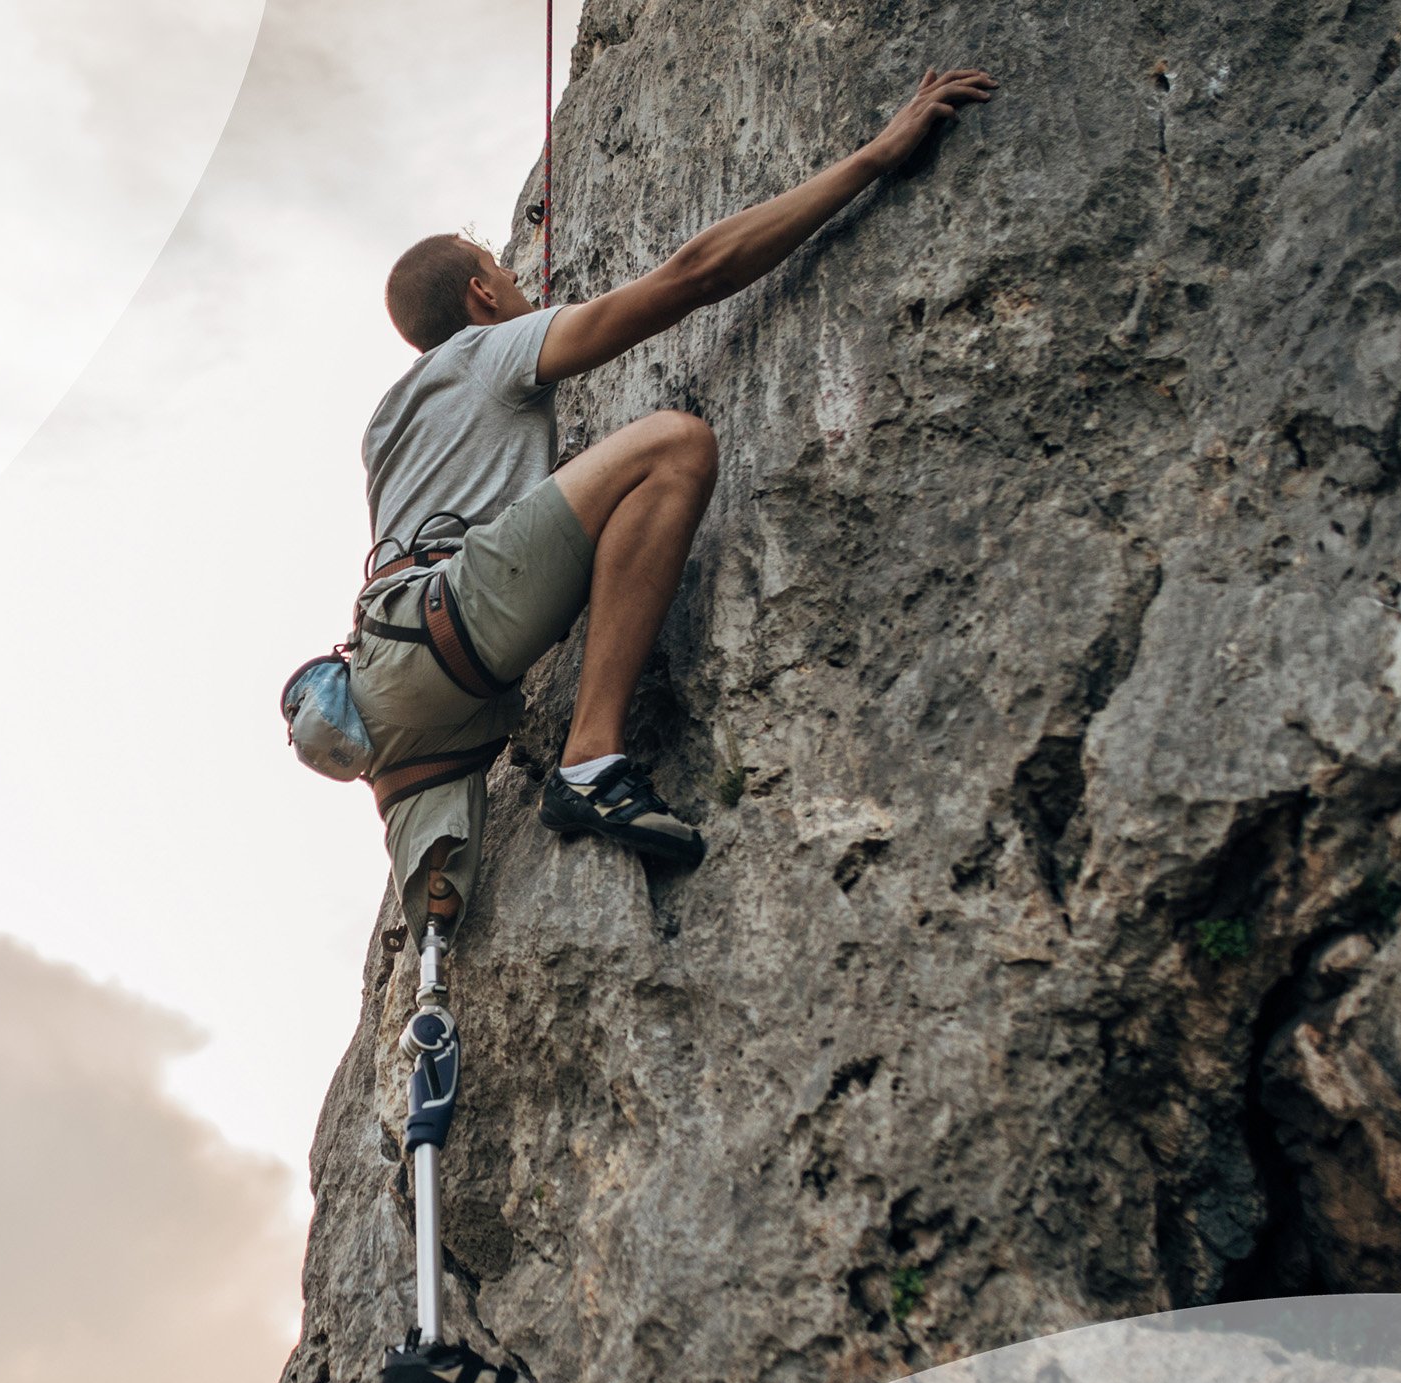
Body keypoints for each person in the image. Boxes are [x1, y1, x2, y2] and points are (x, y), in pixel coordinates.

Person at [351, 67, 999, 926]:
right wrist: (875, 156)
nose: (518, 285)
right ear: (481, 294)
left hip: (385, 684)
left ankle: (431, 942)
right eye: (504, 271)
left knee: (445, 912)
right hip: (451, 623)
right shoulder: (491, 348)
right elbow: (691, 275)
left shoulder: (388, 422)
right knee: (672, 446)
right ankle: (589, 765)